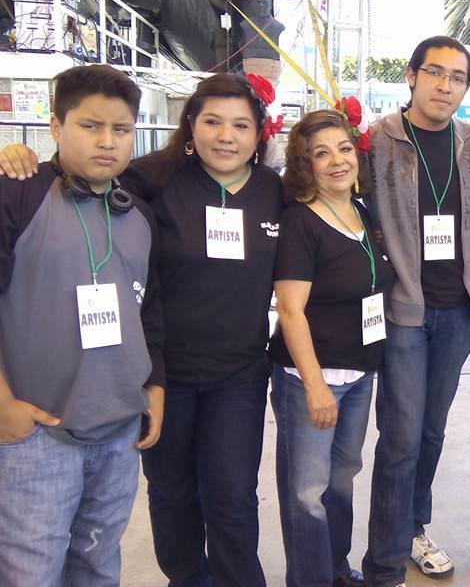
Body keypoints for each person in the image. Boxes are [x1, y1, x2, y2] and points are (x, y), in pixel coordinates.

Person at [0, 73, 286, 585]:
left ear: (259, 133)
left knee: (231, 497)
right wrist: (19, 156)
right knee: (169, 494)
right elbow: (76, 174)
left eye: (241, 125)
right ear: (190, 126)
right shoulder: (152, 180)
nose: (226, 136)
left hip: (234, 374)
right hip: (163, 373)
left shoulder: (273, 191)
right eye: (212, 122)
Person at [0, 64, 165, 586]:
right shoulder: (17, 196)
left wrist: (154, 386)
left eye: (121, 129)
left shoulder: (138, 214)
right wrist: (3, 404)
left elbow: (150, 311)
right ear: (55, 126)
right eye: (90, 126)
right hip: (37, 432)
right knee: (31, 571)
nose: (107, 141)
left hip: (118, 429)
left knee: (98, 564)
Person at [362, 36, 470, 587]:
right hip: (404, 309)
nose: (446, 85)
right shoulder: (376, 140)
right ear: (412, 75)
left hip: (459, 309)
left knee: (432, 431)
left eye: (457, 77)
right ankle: (384, 562)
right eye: (436, 73)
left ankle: (414, 528)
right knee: (400, 436)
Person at [270, 109, 395, 587]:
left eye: (344, 149)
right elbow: (290, 310)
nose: (337, 160)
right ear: (306, 164)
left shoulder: (362, 211)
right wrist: (315, 386)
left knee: (341, 477)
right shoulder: (300, 222)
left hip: (360, 373)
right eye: (321, 153)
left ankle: (336, 568)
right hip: (312, 377)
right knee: (306, 491)